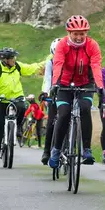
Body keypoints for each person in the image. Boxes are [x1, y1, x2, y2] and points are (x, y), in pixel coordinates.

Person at [48, 15, 105, 169]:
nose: (79, 37)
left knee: (85, 109)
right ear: (69, 33)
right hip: (64, 83)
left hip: (85, 83)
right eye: (76, 34)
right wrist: (54, 84)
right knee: (64, 113)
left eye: (82, 33)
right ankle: (56, 149)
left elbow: (96, 66)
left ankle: (86, 149)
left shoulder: (92, 45)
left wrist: (100, 86)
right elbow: (58, 64)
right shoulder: (62, 45)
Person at [0, 47, 43, 159]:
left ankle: (17, 127)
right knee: (0, 124)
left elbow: (31, 68)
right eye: (12, 58)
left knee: (23, 106)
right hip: (1, 99)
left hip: (17, 96)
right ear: (5, 60)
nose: (14, 59)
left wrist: (44, 63)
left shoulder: (17, 66)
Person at [41, 37, 62, 165]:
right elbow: (47, 78)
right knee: (51, 123)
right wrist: (45, 92)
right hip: (54, 92)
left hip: (67, 91)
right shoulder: (50, 61)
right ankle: (47, 151)